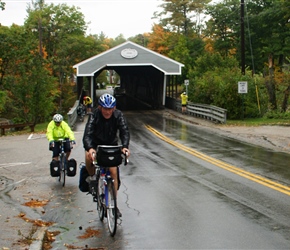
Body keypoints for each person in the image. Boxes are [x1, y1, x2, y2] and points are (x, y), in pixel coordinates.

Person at [83, 93, 130, 217]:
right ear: (100, 108)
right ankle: (92, 179)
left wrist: (125, 146)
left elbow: (124, 131)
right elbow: (87, 134)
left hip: (111, 145)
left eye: (110, 109)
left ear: (114, 108)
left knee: (113, 172)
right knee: (89, 157)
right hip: (96, 144)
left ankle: (114, 204)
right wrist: (90, 148)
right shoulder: (94, 116)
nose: (107, 112)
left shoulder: (118, 115)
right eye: (105, 109)